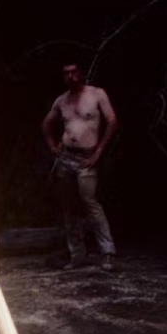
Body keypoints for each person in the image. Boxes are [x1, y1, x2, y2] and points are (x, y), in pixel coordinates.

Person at [41, 62, 120, 272]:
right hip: (66, 156)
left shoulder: (96, 94)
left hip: (87, 157)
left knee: (90, 203)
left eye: (73, 72)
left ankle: (108, 252)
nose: (70, 76)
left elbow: (112, 121)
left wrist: (98, 153)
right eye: (66, 73)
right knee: (68, 208)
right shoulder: (62, 100)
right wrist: (52, 146)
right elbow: (46, 124)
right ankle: (78, 254)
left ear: (81, 73)